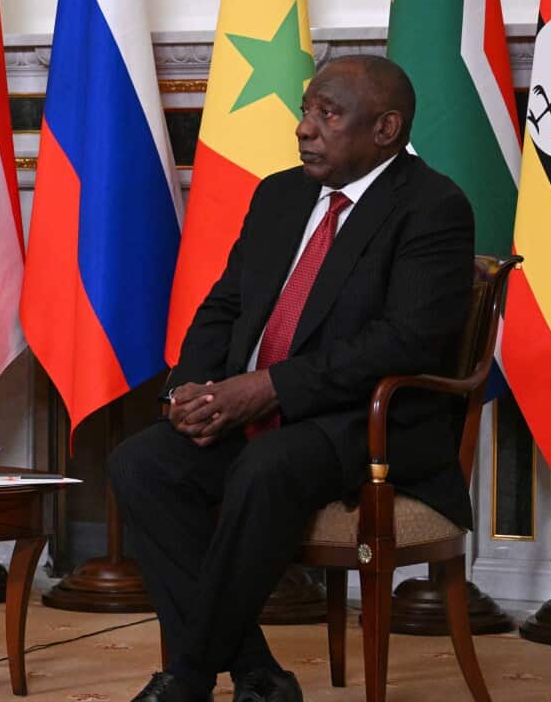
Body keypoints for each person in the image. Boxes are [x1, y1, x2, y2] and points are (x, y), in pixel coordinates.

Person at [112, 55, 475, 702]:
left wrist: (267, 386)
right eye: (306, 110)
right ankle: (257, 671)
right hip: (261, 408)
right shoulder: (280, 194)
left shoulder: (432, 206)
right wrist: (188, 392)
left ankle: (188, 676)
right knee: (142, 463)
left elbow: (404, 340)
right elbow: (226, 305)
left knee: (267, 467)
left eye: (327, 115)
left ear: (385, 128)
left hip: (368, 422)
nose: (305, 129)